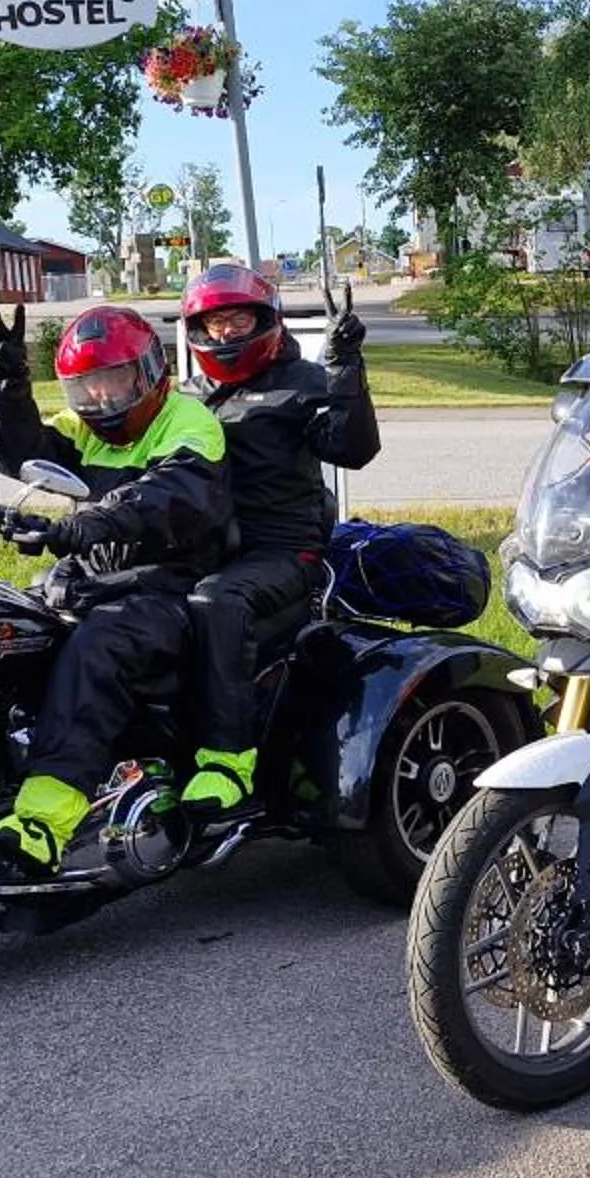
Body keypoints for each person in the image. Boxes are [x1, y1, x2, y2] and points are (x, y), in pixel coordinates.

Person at [0, 303, 231, 864]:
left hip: (168, 589)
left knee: (98, 646)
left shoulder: (190, 424)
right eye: (84, 387)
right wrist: (7, 383)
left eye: (113, 382)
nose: (100, 399)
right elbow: (16, 451)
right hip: (95, 581)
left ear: (148, 373)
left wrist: (79, 526)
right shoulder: (86, 428)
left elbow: (161, 498)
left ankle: (44, 824)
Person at [168, 260, 382, 813]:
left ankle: (226, 765)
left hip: (285, 551)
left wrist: (344, 367)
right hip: (204, 549)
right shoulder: (188, 396)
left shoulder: (304, 383)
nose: (225, 334)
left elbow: (353, 449)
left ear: (265, 319)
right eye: (214, 325)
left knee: (217, 602)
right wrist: (9, 391)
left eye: (237, 321)